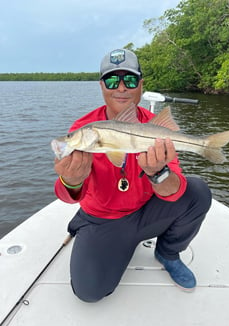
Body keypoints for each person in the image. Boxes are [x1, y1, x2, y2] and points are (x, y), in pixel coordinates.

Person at [53, 48, 212, 302]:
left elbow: (175, 191)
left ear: (141, 84)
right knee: (89, 292)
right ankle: (112, 244)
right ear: (102, 85)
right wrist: (72, 180)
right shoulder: (82, 129)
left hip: (146, 211)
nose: (122, 88)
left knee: (198, 192)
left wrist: (159, 173)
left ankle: (168, 253)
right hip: (103, 220)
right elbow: (68, 195)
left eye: (129, 79)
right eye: (112, 80)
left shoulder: (154, 126)